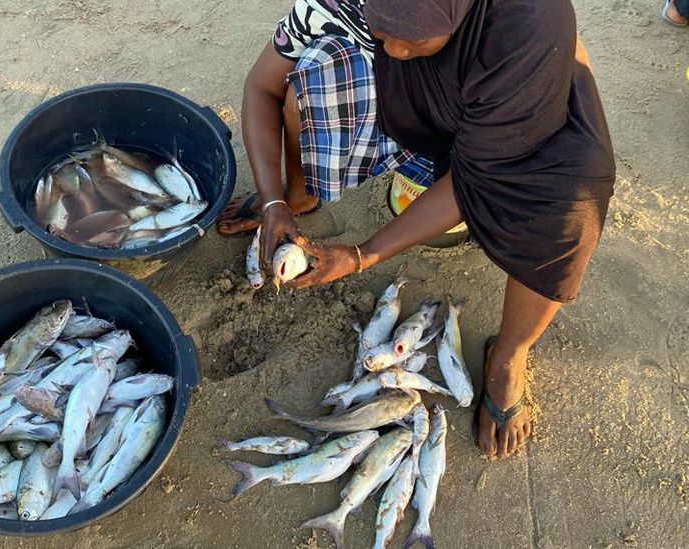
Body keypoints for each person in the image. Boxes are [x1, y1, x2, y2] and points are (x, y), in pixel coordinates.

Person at [218, 0, 615, 460]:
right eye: (381, 31)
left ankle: (509, 354)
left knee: (569, 206)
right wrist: (273, 200)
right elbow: (261, 86)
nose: (397, 51)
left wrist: (365, 254)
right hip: (427, 100)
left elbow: (474, 176)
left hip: (518, 118)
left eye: (414, 38)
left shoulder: (528, 26)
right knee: (306, 82)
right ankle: (302, 192)